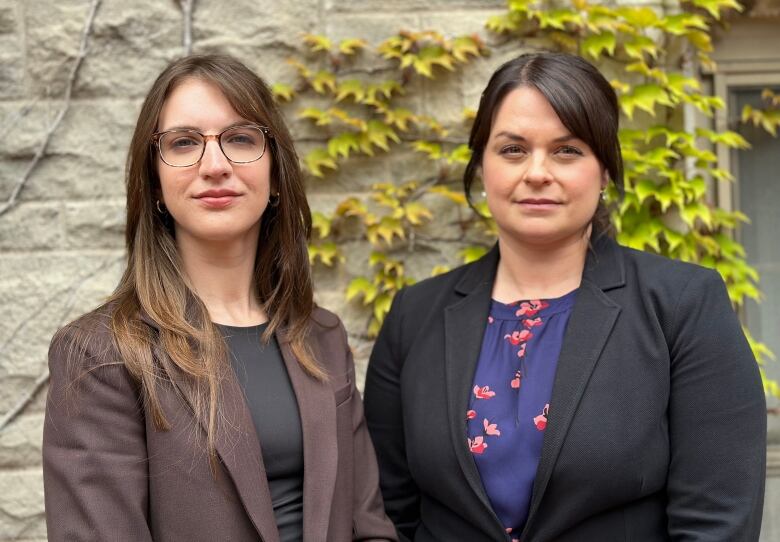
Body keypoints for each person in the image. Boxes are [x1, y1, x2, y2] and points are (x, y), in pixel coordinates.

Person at [364, 52, 766, 542]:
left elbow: (717, 521)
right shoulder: (414, 315)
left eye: (567, 150)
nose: (537, 172)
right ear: (481, 166)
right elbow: (389, 512)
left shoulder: (682, 304)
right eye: (512, 149)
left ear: (604, 170)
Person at [43, 54, 397, 542]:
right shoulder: (102, 353)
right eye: (184, 143)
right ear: (156, 183)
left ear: (275, 174)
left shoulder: (323, 337)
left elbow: (368, 525)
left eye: (240, 139)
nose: (215, 165)